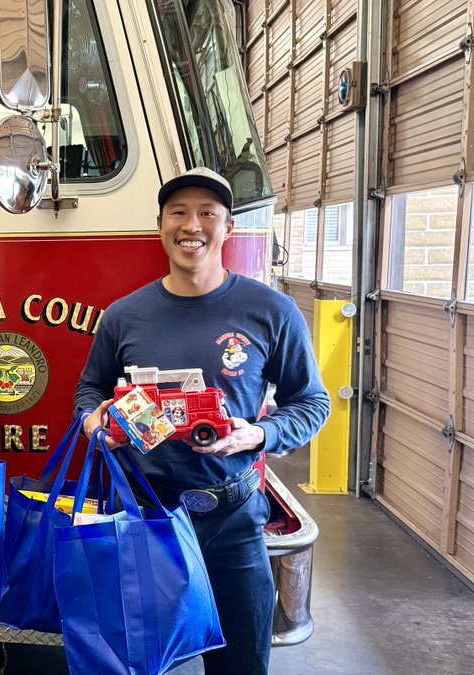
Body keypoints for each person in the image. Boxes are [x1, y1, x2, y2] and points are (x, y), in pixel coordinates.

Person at [74, 167, 330, 675]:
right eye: (179, 212)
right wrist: (91, 419)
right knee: (137, 662)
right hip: (145, 516)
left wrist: (261, 433)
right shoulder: (124, 315)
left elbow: (312, 401)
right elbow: (90, 389)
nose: (192, 224)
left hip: (235, 521)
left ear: (227, 228)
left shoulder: (272, 312)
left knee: (241, 664)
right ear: (160, 225)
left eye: (207, 213)